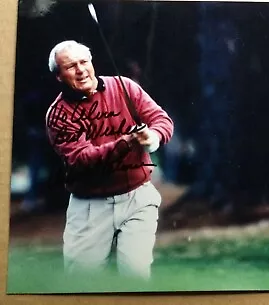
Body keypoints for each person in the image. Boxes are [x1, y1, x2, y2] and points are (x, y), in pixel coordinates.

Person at [45, 40, 174, 279]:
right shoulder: (58, 114)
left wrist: (152, 137)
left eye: (84, 62)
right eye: (71, 66)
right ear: (59, 77)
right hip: (90, 206)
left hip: (138, 197)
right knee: (82, 279)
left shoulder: (124, 87)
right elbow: (81, 159)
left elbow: (161, 120)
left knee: (135, 273)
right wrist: (126, 142)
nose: (81, 70)